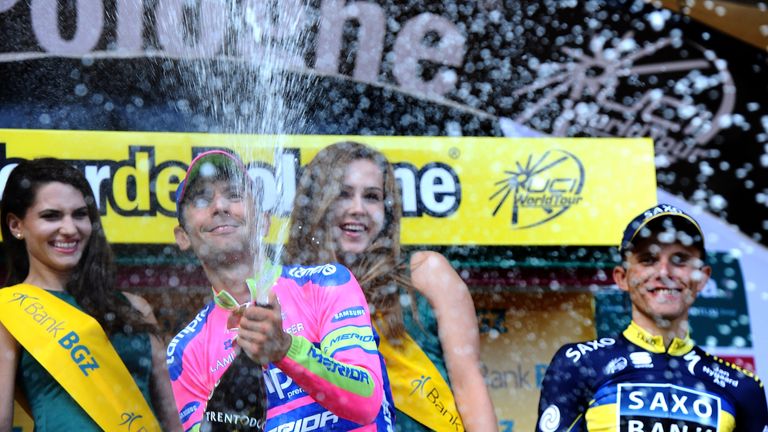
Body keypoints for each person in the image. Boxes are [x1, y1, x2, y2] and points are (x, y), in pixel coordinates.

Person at [167, 149, 395, 431]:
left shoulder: (325, 283)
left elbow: (366, 401)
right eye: (202, 199)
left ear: (263, 222)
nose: (220, 206)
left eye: (235, 195)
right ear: (182, 237)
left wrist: (285, 349)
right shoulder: (186, 350)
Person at [284, 141, 498, 432]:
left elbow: (469, 387)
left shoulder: (425, 273)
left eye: (371, 197)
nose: (358, 209)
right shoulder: (287, 291)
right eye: (343, 194)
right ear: (317, 203)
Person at [536, 204, 768, 432]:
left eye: (680, 259)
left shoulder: (741, 387)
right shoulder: (580, 364)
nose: (664, 272)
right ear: (622, 277)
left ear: (702, 278)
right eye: (648, 259)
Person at [0, 158, 180, 431]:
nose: (70, 229)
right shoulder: (8, 311)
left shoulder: (135, 306)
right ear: (16, 226)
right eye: (51, 216)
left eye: (80, 214)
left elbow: (174, 419)